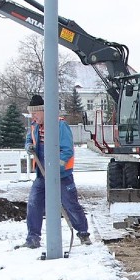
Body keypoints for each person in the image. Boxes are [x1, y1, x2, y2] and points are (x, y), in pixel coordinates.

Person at [23, 94, 91, 248]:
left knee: (70, 204)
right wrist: (28, 146)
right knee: (34, 203)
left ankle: (83, 233)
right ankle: (33, 238)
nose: (33, 116)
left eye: (35, 113)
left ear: (44, 111)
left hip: (62, 175)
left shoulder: (59, 125)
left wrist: (57, 168)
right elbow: (29, 139)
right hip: (41, 174)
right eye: (31, 113)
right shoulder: (34, 126)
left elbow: (67, 150)